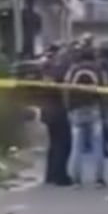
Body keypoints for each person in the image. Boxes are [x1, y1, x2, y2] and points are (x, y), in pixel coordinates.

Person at [64, 44, 108, 188]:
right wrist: (105, 110)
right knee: (98, 146)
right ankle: (99, 179)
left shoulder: (73, 70)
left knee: (76, 147)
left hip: (77, 111)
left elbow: (66, 90)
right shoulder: (98, 70)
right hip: (94, 110)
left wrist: (68, 109)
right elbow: (105, 91)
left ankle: (77, 179)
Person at [40, 47, 73, 187]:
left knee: (54, 144)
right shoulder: (61, 72)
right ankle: (60, 176)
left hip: (47, 110)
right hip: (58, 111)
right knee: (63, 144)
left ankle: (50, 175)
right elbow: (65, 92)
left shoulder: (47, 71)